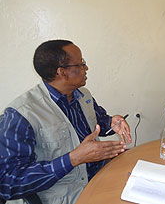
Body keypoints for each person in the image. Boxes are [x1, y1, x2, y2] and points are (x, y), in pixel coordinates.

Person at [0, 40, 132, 204]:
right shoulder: (21, 114)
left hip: (100, 176)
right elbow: (8, 183)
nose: (86, 68)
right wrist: (74, 158)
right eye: (82, 63)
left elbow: (99, 122)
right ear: (62, 72)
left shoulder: (83, 95)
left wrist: (113, 122)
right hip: (66, 195)